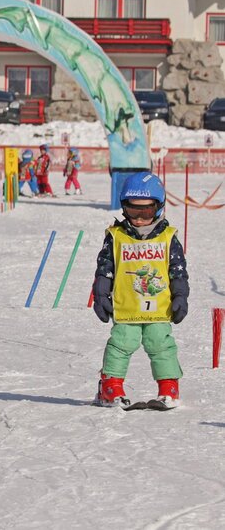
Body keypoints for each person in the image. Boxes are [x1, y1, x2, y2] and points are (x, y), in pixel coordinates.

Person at [92, 172, 188, 410]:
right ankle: (110, 386)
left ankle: (168, 386)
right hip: (127, 306)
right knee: (121, 344)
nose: (139, 218)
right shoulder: (117, 237)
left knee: (160, 344)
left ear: (158, 207)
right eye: (133, 211)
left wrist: (180, 295)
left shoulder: (167, 238)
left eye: (145, 211)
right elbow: (105, 268)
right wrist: (101, 293)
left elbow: (177, 270)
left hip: (158, 307)